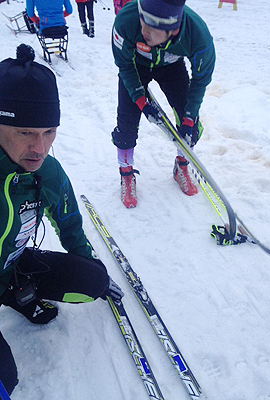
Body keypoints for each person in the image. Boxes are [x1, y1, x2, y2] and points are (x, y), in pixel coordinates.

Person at [0, 44, 124, 396]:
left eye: (49, 132)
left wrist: (86, 262)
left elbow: (68, 221)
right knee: (4, 381)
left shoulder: (47, 171)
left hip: (12, 269)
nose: (39, 148)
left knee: (93, 280)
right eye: (25, 133)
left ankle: (15, 293)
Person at [111, 0, 215, 208]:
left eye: (151, 29)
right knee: (126, 125)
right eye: (143, 23)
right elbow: (123, 64)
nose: (143, 31)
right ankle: (126, 173)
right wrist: (141, 100)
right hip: (135, 66)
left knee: (191, 128)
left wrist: (188, 117)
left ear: (173, 30)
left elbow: (201, 79)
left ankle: (181, 165)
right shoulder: (126, 20)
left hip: (171, 67)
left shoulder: (198, 35)